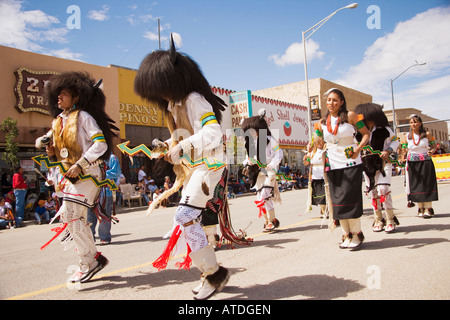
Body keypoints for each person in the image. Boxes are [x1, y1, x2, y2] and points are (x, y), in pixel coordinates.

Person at [134, 34, 231, 300]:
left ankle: (213, 273)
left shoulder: (194, 99)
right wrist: (168, 147)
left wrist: (181, 146)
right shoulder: (173, 106)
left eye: (161, 85)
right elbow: (182, 139)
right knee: (188, 219)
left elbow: (212, 133)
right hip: (196, 168)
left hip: (210, 165)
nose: (158, 92)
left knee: (184, 217)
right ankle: (210, 272)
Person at [39, 71, 118, 283]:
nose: (59, 98)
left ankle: (89, 262)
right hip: (68, 178)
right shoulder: (57, 121)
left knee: (73, 214)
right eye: (58, 94)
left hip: (89, 175)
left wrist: (80, 164)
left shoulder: (84, 117)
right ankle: (92, 258)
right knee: (70, 217)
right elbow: (57, 152)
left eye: (64, 94)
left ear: (75, 97)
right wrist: (50, 152)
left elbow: (100, 144)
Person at [317, 88, 370, 251]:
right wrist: (317, 144)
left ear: (341, 102)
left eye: (335, 100)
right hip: (333, 165)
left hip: (351, 163)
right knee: (338, 200)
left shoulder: (351, 116)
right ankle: (347, 235)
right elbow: (319, 142)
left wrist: (358, 149)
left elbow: (366, 134)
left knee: (350, 197)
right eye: (329, 100)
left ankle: (357, 234)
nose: (331, 103)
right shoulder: (321, 122)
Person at [354, 103, 400, 233]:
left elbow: (395, 140)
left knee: (383, 189)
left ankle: (390, 219)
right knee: (373, 193)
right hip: (368, 166)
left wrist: (389, 150)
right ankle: (378, 219)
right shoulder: (357, 133)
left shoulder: (384, 129)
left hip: (384, 163)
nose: (367, 121)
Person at [241, 109, 283, 233]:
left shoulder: (270, 139)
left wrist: (272, 164)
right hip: (257, 172)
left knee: (264, 195)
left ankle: (270, 221)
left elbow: (279, 153)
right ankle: (269, 221)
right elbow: (249, 157)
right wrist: (246, 163)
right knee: (262, 197)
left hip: (269, 171)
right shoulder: (250, 142)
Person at [404, 115, 439, 218]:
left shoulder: (427, 134)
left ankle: (428, 207)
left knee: (426, 183)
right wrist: (402, 153)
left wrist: (432, 151)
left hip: (426, 161)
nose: (413, 124)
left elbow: (433, 146)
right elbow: (404, 148)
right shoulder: (407, 136)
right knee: (416, 185)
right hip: (412, 162)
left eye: (415, 122)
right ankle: (420, 208)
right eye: (411, 122)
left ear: (420, 123)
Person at [87, 153, 121, 245]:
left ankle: (104, 237)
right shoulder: (90, 157)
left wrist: (101, 174)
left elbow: (116, 172)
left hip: (105, 190)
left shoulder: (112, 158)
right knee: (89, 215)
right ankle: (90, 238)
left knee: (104, 214)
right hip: (91, 191)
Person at [303, 124, 327, 218]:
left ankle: (326, 210)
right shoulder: (312, 152)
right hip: (315, 175)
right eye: (318, 142)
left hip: (325, 173)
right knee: (319, 195)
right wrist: (306, 156)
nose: (320, 144)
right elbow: (306, 162)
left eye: (321, 142)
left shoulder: (326, 149)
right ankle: (323, 209)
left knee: (326, 194)